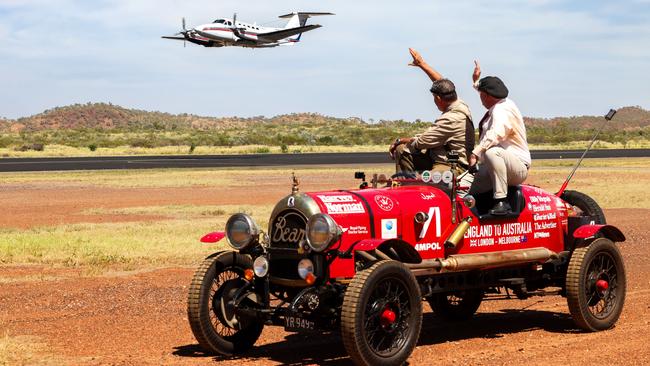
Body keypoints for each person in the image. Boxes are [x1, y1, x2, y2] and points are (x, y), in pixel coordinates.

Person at [390, 48, 475, 176]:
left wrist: (401, 139)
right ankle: (407, 185)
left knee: (431, 180)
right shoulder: (461, 105)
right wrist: (422, 64)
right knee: (402, 150)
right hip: (438, 159)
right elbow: (442, 84)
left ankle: (419, 192)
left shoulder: (450, 119)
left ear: (438, 98)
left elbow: (422, 142)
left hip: (452, 165)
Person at [468, 60, 531, 215]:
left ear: (488, 95)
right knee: (460, 190)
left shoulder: (502, 110)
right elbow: (483, 89)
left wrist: (476, 152)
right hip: (495, 168)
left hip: (516, 168)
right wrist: (476, 81)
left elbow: (495, 133)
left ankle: (501, 202)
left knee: (492, 152)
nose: (480, 98)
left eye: (481, 95)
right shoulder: (501, 101)